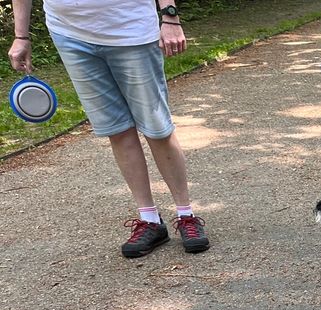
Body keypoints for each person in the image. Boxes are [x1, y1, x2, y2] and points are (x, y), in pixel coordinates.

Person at [7, 0, 210, 258]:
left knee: (157, 128)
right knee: (118, 129)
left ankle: (186, 215)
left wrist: (169, 16)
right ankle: (149, 220)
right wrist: (20, 35)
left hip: (131, 29)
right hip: (71, 35)